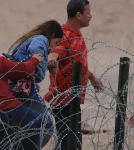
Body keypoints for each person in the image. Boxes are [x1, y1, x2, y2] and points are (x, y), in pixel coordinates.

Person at [44, 1, 104, 149]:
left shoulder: (77, 34)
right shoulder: (64, 36)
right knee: (70, 145)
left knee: (71, 144)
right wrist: (52, 62)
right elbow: (54, 54)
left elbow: (75, 64)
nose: (91, 16)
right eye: (88, 12)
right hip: (63, 101)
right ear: (78, 15)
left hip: (73, 99)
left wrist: (92, 77)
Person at [7, 20, 63, 113]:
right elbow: (35, 53)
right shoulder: (42, 39)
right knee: (44, 120)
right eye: (56, 42)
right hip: (19, 85)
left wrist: (47, 65)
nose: (54, 47)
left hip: (15, 84)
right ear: (52, 36)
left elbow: (28, 60)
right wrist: (41, 69)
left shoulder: (28, 38)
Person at [0, 54, 53, 150]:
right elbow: (22, 70)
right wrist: (34, 60)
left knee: (5, 139)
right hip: (7, 108)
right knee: (44, 124)